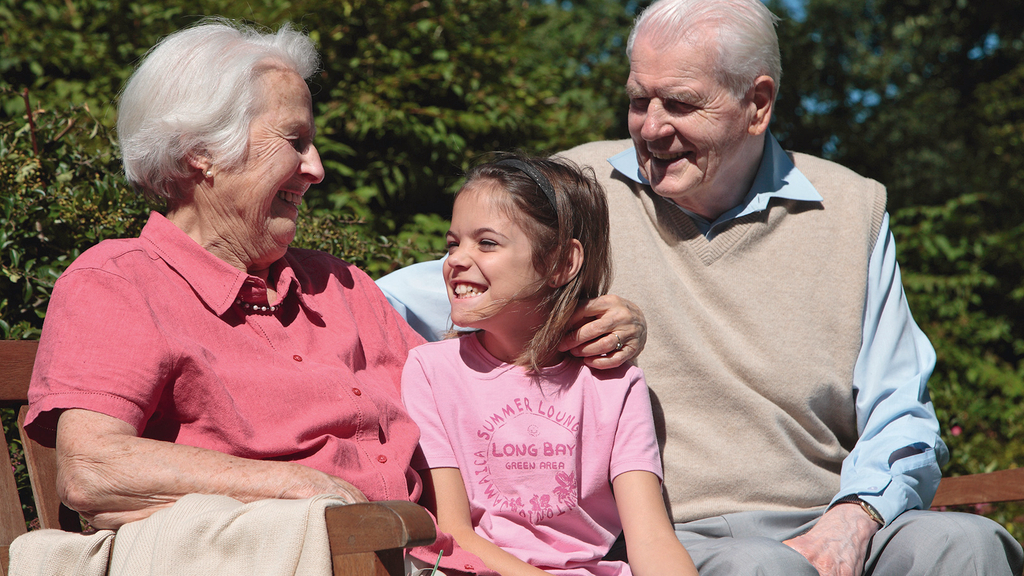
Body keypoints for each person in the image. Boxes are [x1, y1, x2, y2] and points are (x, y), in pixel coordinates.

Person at [376, 1, 1024, 574]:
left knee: (968, 545)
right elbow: (429, 294)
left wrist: (853, 521)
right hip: (677, 536)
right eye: (639, 100)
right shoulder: (579, 193)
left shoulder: (852, 210)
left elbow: (900, 412)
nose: (651, 127)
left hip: (833, 512)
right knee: (762, 568)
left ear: (758, 104)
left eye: (681, 103)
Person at [22, 18, 645, 551]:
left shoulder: (339, 285)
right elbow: (93, 468)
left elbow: (472, 389)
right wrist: (305, 491)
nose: (316, 169)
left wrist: (574, 326)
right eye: (295, 142)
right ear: (200, 152)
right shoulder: (120, 282)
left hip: (429, 554)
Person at [401, 154, 698, 576]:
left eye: (486, 243)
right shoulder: (430, 371)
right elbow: (454, 533)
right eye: (453, 243)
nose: (456, 260)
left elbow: (651, 538)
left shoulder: (616, 383)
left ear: (561, 263)